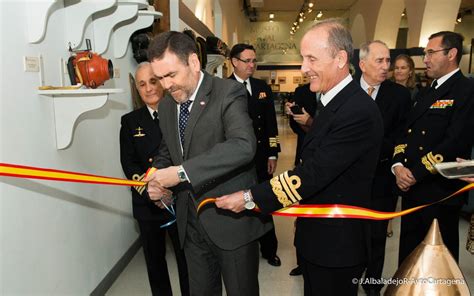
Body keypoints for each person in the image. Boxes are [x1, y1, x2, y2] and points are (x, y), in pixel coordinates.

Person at [216, 19, 384, 296]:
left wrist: (249, 197)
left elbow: (314, 173)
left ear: (340, 58)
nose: (304, 68)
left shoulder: (357, 111)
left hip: (337, 244)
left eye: (311, 59)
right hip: (318, 237)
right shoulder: (333, 102)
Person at [144, 31, 272, 296]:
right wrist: (156, 177)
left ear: (193, 62)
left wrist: (180, 173)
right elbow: (168, 150)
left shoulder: (228, 92)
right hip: (190, 224)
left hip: (231, 222)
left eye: (171, 75)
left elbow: (243, 145)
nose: (166, 85)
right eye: (160, 78)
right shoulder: (168, 106)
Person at [392, 31, 474, 266]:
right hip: (411, 187)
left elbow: (453, 143)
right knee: (409, 259)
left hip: (440, 192)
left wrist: (414, 174)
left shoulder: (465, 91)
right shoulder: (426, 92)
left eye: (430, 53)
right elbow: (405, 133)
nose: (425, 59)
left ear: (452, 54)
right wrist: (398, 166)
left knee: (438, 264)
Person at [119, 62, 189, 296]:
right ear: (137, 90)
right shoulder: (129, 121)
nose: (149, 88)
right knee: (154, 262)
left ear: (163, 81)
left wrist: (170, 190)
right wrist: (153, 191)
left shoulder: (181, 112)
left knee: (186, 258)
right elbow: (129, 165)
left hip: (179, 199)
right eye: (142, 84)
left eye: (153, 81)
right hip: (147, 203)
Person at [358, 41, 412, 296]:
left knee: (377, 236)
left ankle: (372, 284)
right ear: (362, 64)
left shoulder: (399, 96)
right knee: (351, 235)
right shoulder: (344, 91)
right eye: (379, 61)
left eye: (387, 61)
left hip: (382, 179)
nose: (385, 67)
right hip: (349, 180)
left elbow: (402, 136)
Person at [228, 43, 282, 267]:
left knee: (264, 202)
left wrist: (272, 153)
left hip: (260, 159)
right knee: (238, 207)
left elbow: (271, 123)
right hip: (236, 162)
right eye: (247, 61)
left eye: (254, 61)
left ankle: (270, 250)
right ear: (234, 62)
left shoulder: (261, 87)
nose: (251, 65)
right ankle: (241, 252)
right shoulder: (223, 87)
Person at [285, 84, 319, 276]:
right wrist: (302, 122)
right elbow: (293, 125)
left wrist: (311, 122)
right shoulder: (303, 92)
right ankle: (302, 261)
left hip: (328, 159)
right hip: (304, 155)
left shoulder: (342, 93)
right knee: (302, 211)